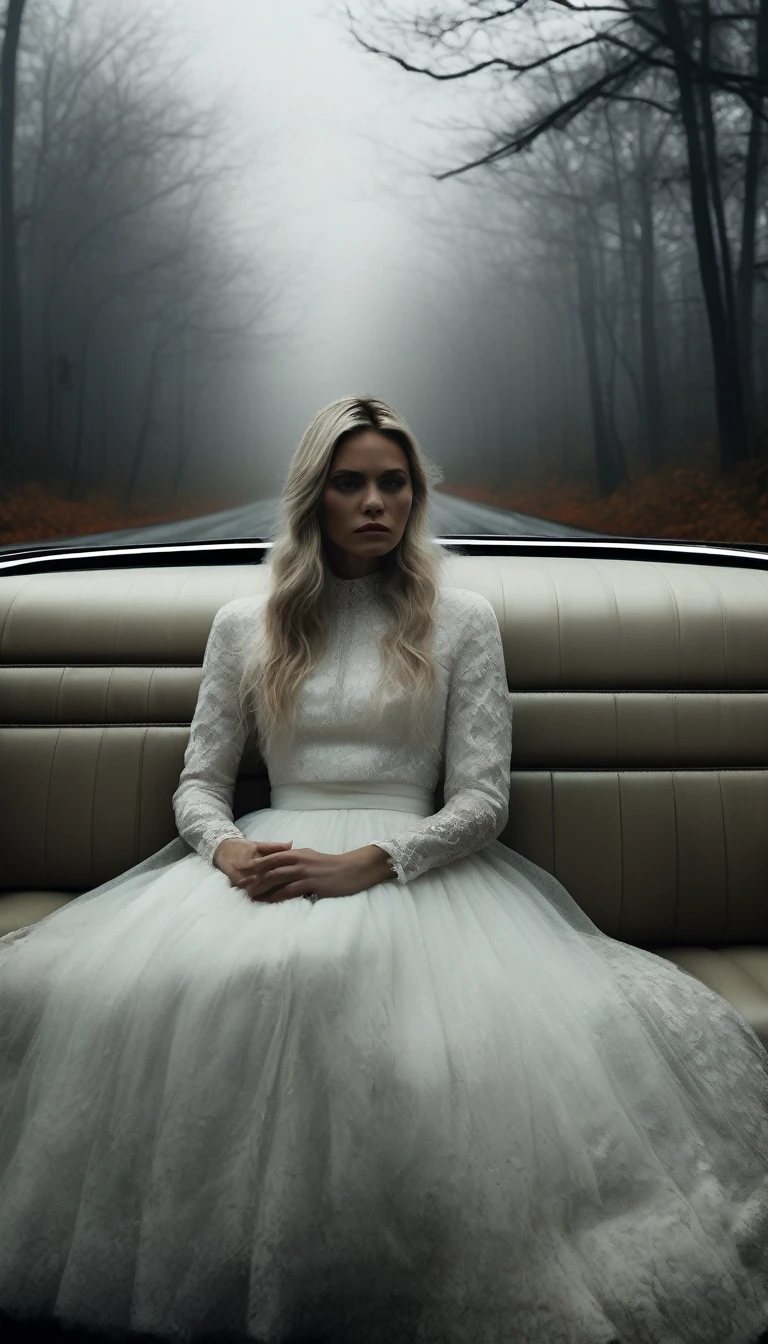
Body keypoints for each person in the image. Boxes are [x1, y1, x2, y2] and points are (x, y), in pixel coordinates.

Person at [0, 395, 767, 1344]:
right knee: (186, 983)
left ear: (414, 494)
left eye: (393, 482)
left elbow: (483, 801)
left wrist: (376, 861)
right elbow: (199, 787)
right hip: (268, 858)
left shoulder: (462, 620)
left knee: (357, 998)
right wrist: (229, 847)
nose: (375, 501)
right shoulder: (247, 623)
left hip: (414, 869)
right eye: (350, 481)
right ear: (313, 495)